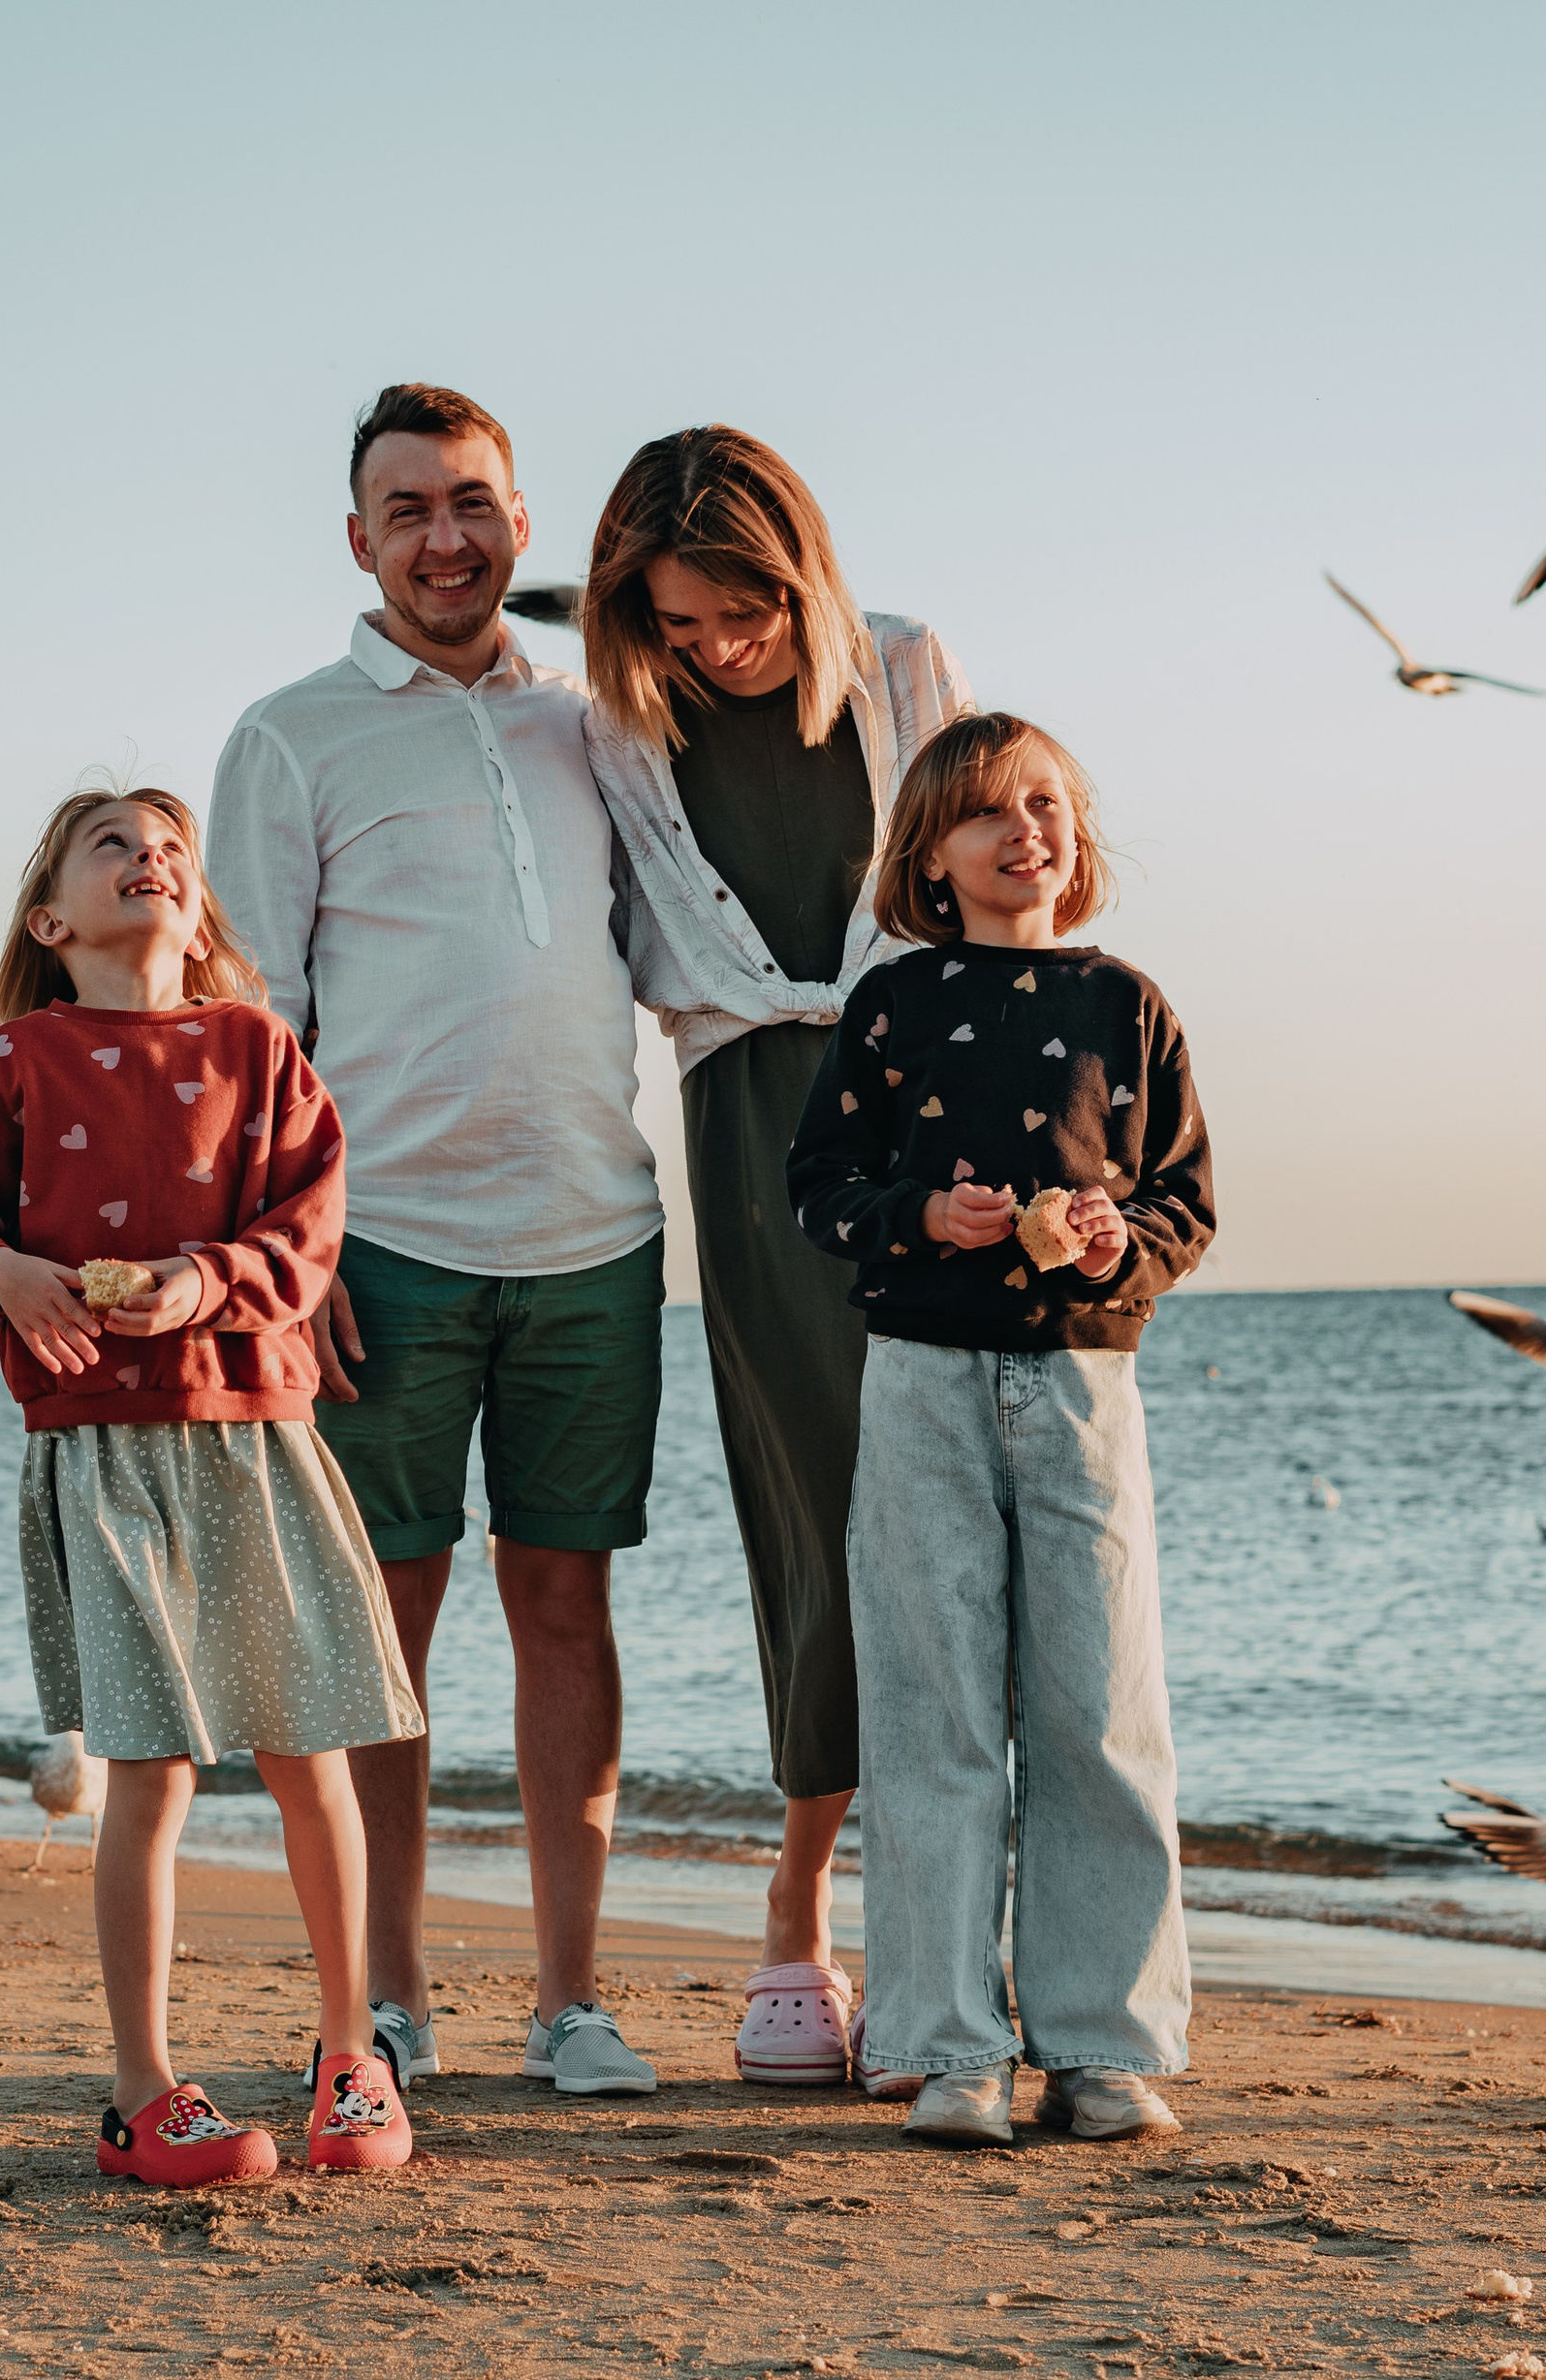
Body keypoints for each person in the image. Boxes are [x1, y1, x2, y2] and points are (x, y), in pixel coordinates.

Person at [207, 384, 665, 2101]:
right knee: (383, 1622)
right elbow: (252, 1020)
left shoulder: (598, 724)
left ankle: (571, 2002)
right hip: (379, 1245)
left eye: (471, 503)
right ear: (360, 541)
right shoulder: (289, 737)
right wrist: (292, 1254)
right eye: (406, 510)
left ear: (521, 523)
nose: (444, 538)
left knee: (568, 1603)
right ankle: (387, 1998)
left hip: (595, 1231)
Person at [0, 783, 425, 2184]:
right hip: (100, 1449)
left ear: (200, 917)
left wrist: (203, 1282)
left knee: (311, 1756)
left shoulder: (259, 1049)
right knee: (149, 1774)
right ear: (48, 919)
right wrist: (3, 1275)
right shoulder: (5, 1065)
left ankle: (350, 2061)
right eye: (114, 845)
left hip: (257, 1434)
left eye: (173, 848)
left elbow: (309, 1230)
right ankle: (144, 2093)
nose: (151, 859)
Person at [580, 427, 969, 2088]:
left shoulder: (904, 668)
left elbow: (976, 889)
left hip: (935, 1113)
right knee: (816, 1515)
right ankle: (798, 1910)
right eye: (680, 624)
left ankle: (940, 1945)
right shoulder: (623, 723)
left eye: (744, 614)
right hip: (752, 1139)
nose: (719, 649)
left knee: (951, 1518)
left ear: (801, 577)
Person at [787, 711, 1214, 2147]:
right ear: (931, 854)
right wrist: (924, 1214)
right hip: (920, 1379)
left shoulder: (1129, 1006)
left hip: (1085, 1385)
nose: (1024, 830)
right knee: (934, 1716)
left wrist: (1118, 1241)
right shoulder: (891, 1007)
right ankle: (948, 2043)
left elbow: (1187, 1201)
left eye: (1044, 804)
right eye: (986, 811)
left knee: (1101, 1712)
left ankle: (1101, 2043)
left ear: (1075, 833)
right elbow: (820, 1184)